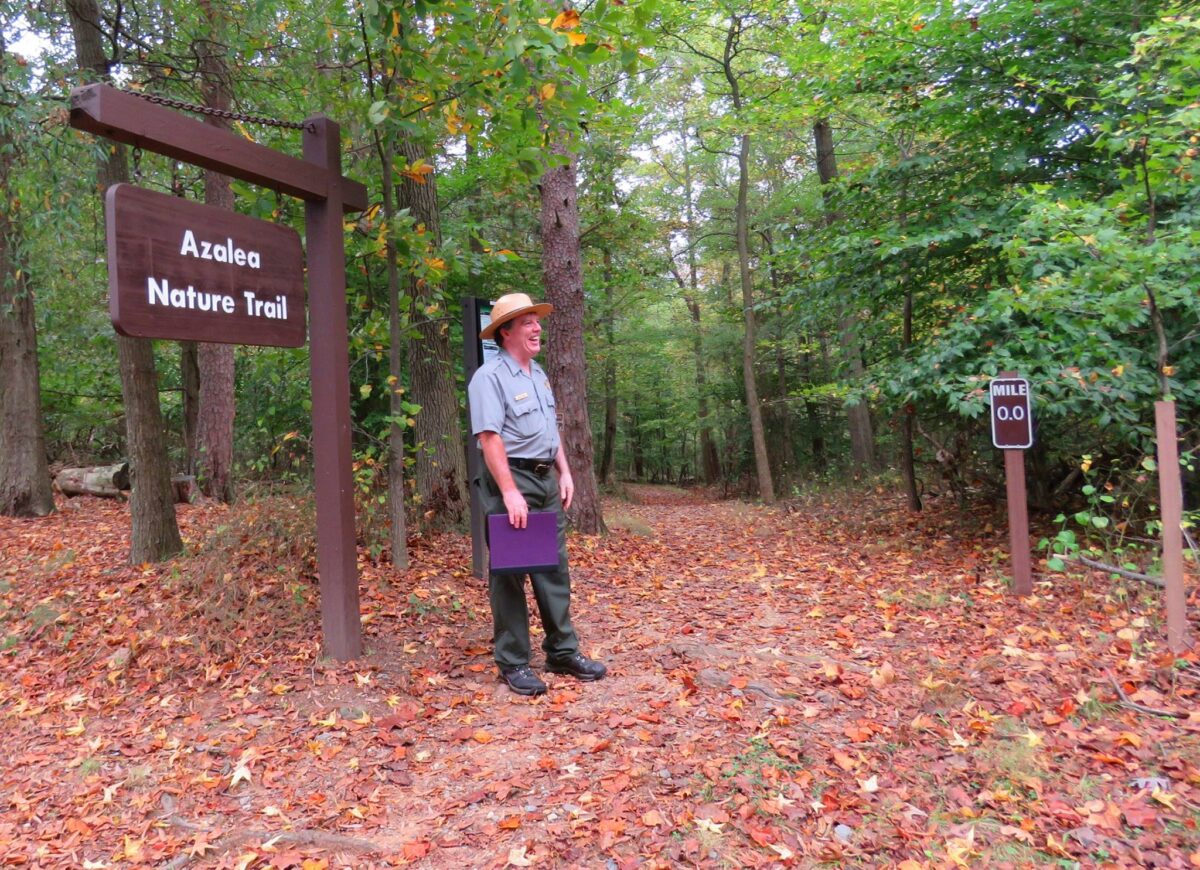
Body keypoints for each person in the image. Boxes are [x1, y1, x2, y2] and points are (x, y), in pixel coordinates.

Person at [468, 293, 607, 696]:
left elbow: (550, 427)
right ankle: (513, 662)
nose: (536, 327)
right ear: (505, 332)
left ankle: (562, 652)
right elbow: (490, 437)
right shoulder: (489, 377)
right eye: (526, 322)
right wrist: (510, 492)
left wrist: (565, 470)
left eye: (536, 321)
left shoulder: (538, 373)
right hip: (512, 479)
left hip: (546, 481)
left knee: (553, 567)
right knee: (511, 572)